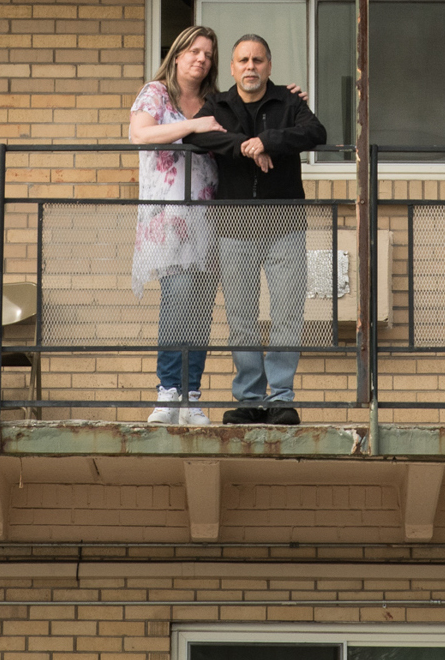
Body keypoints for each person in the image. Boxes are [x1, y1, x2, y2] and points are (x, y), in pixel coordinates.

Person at [185, 33, 327, 424]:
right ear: (231, 68)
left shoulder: (289, 101)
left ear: (269, 66)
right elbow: (196, 135)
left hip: (285, 223)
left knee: (286, 315)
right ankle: (249, 399)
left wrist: (268, 141)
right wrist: (245, 146)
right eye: (243, 60)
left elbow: (317, 133)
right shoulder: (218, 103)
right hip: (234, 226)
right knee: (241, 318)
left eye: (258, 60)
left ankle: (280, 399)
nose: (251, 66)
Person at [128, 23, 225, 424]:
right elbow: (140, 134)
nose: (201, 59)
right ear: (178, 54)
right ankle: (168, 393)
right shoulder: (156, 92)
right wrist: (191, 127)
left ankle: (192, 397)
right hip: (168, 216)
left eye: (208, 54)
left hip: (208, 216)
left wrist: (289, 98)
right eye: (194, 52)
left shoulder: (216, 101)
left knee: (200, 308)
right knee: (178, 299)